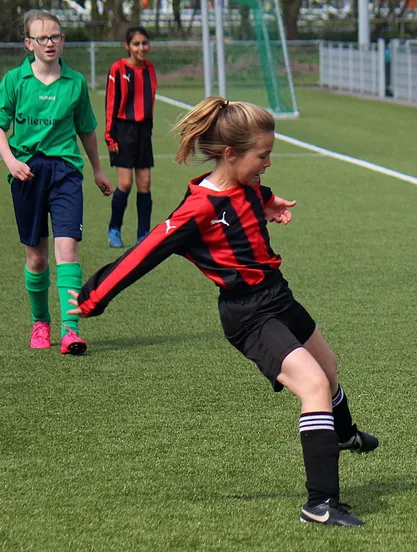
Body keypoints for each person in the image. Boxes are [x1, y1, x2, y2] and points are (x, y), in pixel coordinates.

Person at [67, 97, 379, 526]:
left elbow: (251, 195)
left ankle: (341, 436)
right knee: (313, 386)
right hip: (248, 314)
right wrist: (93, 296)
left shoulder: (244, 184)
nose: (267, 163)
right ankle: (320, 503)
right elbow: (147, 251)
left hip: (278, 296)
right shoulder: (199, 208)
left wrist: (268, 204)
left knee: (328, 367)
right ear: (231, 154)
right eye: (262, 156)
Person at [0, 10, 113, 355]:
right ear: (28, 43)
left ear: (63, 40)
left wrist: (96, 170)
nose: (50, 43)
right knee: (36, 258)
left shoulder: (75, 82)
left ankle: (70, 329)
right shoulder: (14, 81)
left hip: (65, 172)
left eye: (56, 36)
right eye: (42, 37)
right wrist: (11, 160)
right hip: (27, 173)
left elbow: (86, 130)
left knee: (68, 250)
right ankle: (40, 322)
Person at [105, 26, 157, 248]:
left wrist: (148, 130)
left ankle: (143, 235)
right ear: (128, 46)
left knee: (144, 183)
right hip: (123, 130)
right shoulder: (118, 69)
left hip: (143, 130)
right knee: (125, 184)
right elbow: (110, 102)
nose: (141, 48)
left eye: (144, 43)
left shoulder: (150, 69)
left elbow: (150, 102)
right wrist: (110, 136)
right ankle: (114, 230)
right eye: (136, 44)